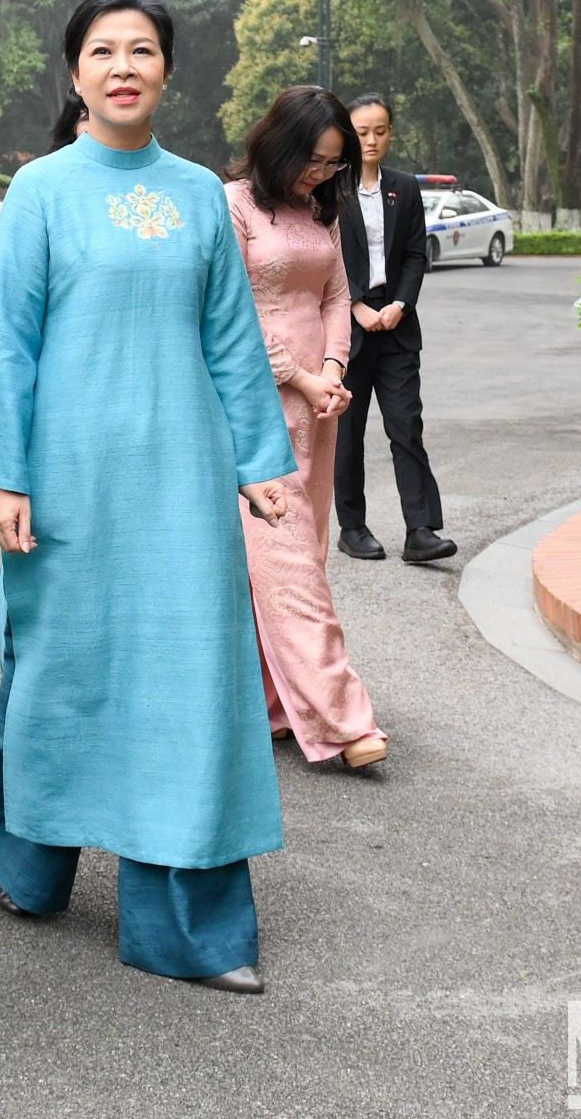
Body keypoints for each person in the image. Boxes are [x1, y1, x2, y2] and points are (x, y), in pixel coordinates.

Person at [0, 0, 297, 995]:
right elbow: (7, 339)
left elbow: (230, 338)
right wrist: (6, 475)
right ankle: (26, 861)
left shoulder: (197, 194)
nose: (121, 65)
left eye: (140, 50)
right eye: (101, 51)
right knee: (58, 674)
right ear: (74, 75)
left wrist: (257, 461)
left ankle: (190, 927)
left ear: (166, 72)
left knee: (188, 686)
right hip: (65, 482)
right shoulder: (41, 191)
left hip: (181, 484)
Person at [224, 86, 389, 770]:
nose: (322, 175)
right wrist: (297, 374)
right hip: (256, 398)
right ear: (282, 144)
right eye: (315, 160)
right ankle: (343, 717)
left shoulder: (322, 210)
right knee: (285, 556)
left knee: (303, 549)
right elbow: (226, 311)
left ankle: (272, 701)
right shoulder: (232, 205)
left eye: (334, 164)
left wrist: (332, 365)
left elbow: (336, 293)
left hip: (320, 402)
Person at [333, 93, 455, 564]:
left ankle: (420, 530)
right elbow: (326, 257)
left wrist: (401, 302)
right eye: (361, 131)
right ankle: (352, 526)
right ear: (348, 133)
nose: (371, 139)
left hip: (398, 323)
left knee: (407, 427)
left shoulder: (403, 186)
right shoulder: (330, 187)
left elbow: (414, 254)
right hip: (349, 325)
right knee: (349, 433)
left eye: (379, 130)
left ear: (390, 132)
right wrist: (356, 304)